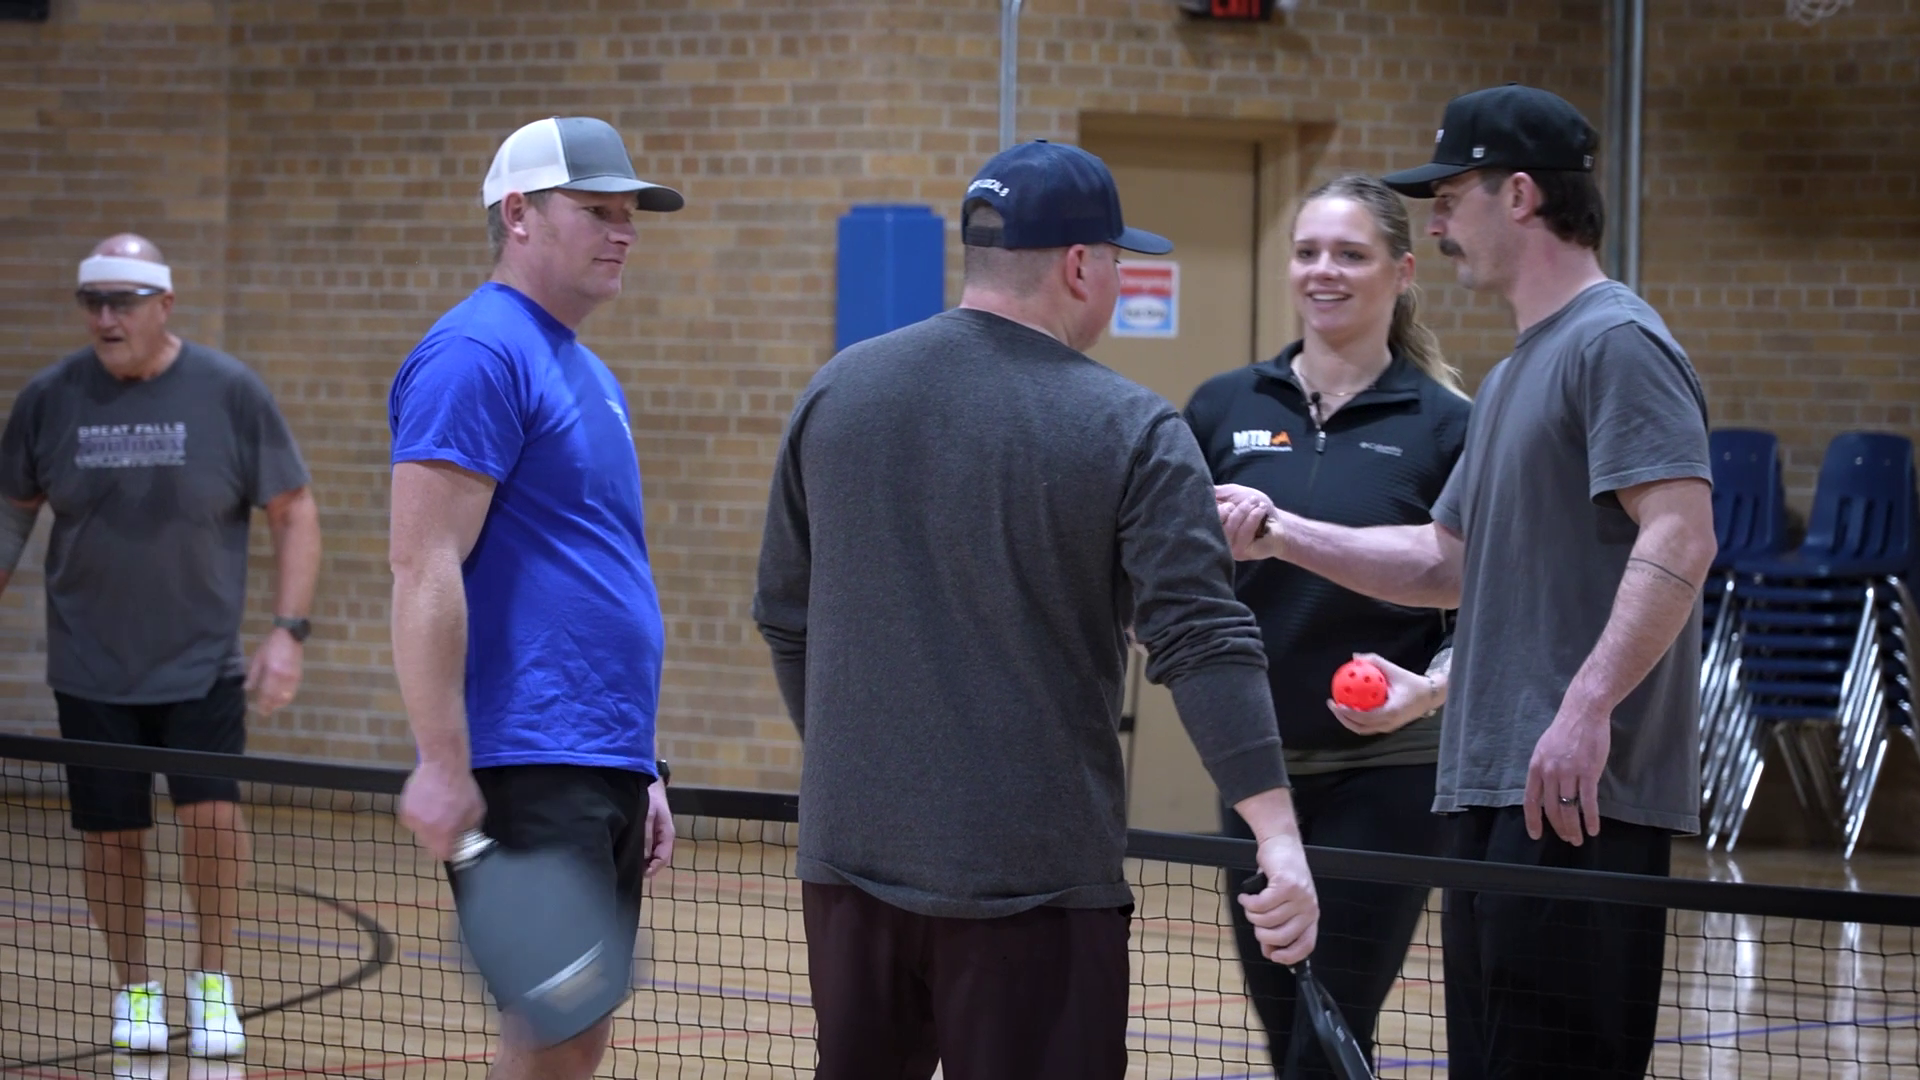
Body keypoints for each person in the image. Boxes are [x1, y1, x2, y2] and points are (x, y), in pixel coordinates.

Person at [752, 140, 1321, 1080]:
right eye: (1119, 260)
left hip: (849, 869)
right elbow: (1202, 639)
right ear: (1081, 266)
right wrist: (1278, 836)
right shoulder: (1131, 425)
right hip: (1036, 883)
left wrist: (870, 771)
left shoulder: (838, 390)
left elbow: (785, 614)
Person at [1216, 84, 1718, 1080]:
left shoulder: (1616, 342)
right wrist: (1280, 534)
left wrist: (1586, 707)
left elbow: (1682, 534)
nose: (1438, 225)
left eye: (1451, 198)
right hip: (1493, 786)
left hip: (1579, 796)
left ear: (1519, 195)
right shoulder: (1514, 373)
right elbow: (1444, 563)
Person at [386, 116, 682, 1080]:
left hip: (599, 754)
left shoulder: (587, 371)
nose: (623, 231)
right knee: (556, 1027)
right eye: (597, 211)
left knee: (576, 1029)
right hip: (528, 752)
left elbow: (599, 570)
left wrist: (642, 764)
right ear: (518, 214)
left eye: (629, 214)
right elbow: (422, 564)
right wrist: (440, 759)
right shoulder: (476, 353)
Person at [0, 234, 321, 1058]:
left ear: (164, 305)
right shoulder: (49, 399)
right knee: (111, 836)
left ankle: (212, 983)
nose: (106, 319)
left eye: (124, 302)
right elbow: (11, 514)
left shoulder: (228, 391)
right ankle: (135, 989)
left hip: (201, 664)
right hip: (90, 666)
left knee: (211, 821)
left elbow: (293, 510)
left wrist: (287, 633)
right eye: (93, 302)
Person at [1183, 173, 1471, 1078]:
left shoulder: (1447, 427)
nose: (1324, 271)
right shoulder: (1224, 407)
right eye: (1308, 252)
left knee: (1331, 1024)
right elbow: (1170, 573)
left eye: (1350, 254)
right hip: (1255, 770)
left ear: (1402, 272)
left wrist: (1429, 690)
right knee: (1286, 1033)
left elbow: (1485, 607)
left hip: (1387, 773)